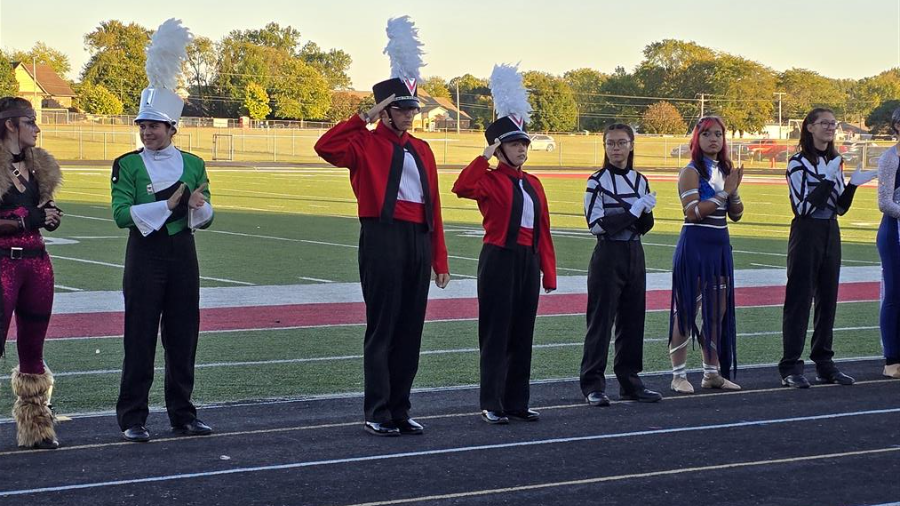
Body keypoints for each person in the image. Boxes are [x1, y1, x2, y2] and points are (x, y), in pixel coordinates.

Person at [314, 16, 450, 437]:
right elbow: (325, 147)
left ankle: (400, 408)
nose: (410, 116)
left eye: (412, 109)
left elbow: (435, 207)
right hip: (381, 237)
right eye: (402, 109)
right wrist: (364, 116)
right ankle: (376, 409)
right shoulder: (364, 142)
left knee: (411, 329)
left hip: (417, 240)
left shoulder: (423, 150)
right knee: (384, 327)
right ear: (385, 111)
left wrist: (439, 257)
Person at [111, 19, 214, 442]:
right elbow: (121, 215)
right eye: (143, 126)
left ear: (173, 128)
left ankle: (183, 413)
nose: (147, 131)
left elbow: (206, 214)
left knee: (183, 334)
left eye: (154, 126)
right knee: (139, 337)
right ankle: (133, 417)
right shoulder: (127, 163)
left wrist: (198, 207)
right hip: (145, 254)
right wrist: (169, 204)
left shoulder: (193, 163)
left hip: (182, 253)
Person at [451, 64, 555, 425]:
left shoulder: (535, 184)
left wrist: (548, 271)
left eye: (524, 143)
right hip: (497, 259)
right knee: (496, 333)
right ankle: (491, 402)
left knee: (522, 333)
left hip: (526, 261)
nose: (522, 149)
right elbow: (461, 186)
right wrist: (485, 153)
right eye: (514, 144)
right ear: (500, 149)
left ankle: (516, 401)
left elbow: (543, 229)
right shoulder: (490, 179)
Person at [779, 108, 877, 388]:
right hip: (807, 232)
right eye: (825, 123)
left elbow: (839, 208)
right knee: (799, 299)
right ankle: (790, 366)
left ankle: (824, 362)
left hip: (830, 230)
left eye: (833, 124)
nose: (831, 128)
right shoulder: (797, 163)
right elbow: (803, 207)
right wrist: (824, 180)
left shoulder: (835, 160)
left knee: (828, 298)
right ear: (809, 127)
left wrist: (853, 186)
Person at [580, 123, 662, 406]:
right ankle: (593, 384)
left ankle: (630, 381)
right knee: (601, 322)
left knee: (633, 320)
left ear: (631, 145)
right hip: (607, 255)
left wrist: (645, 213)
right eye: (611, 143)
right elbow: (598, 225)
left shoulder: (640, 180)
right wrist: (633, 210)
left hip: (634, 253)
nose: (616, 148)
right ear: (604, 147)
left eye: (621, 143)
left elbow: (644, 227)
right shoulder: (597, 181)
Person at [0, 97, 63, 449]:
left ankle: (36, 427)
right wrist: (25, 220)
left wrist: (49, 215)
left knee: (32, 348)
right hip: (2, 262)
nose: (37, 128)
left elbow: (41, 213)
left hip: (37, 263)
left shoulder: (40, 165)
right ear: (11, 124)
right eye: (31, 122)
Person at [668, 116, 744, 394]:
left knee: (716, 314)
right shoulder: (690, 171)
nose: (714, 139)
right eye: (707, 134)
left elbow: (736, 214)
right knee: (687, 312)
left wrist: (732, 194)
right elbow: (693, 212)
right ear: (696, 139)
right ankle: (678, 375)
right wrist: (724, 194)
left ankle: (711, 373)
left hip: (720, 247)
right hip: (695, 246)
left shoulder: (726, 170)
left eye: (719, 134)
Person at [877, 107, 900, 380]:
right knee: (894, 294)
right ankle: (892, 358)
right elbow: (884, 202)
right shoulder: (890, 158)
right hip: (893, 231)